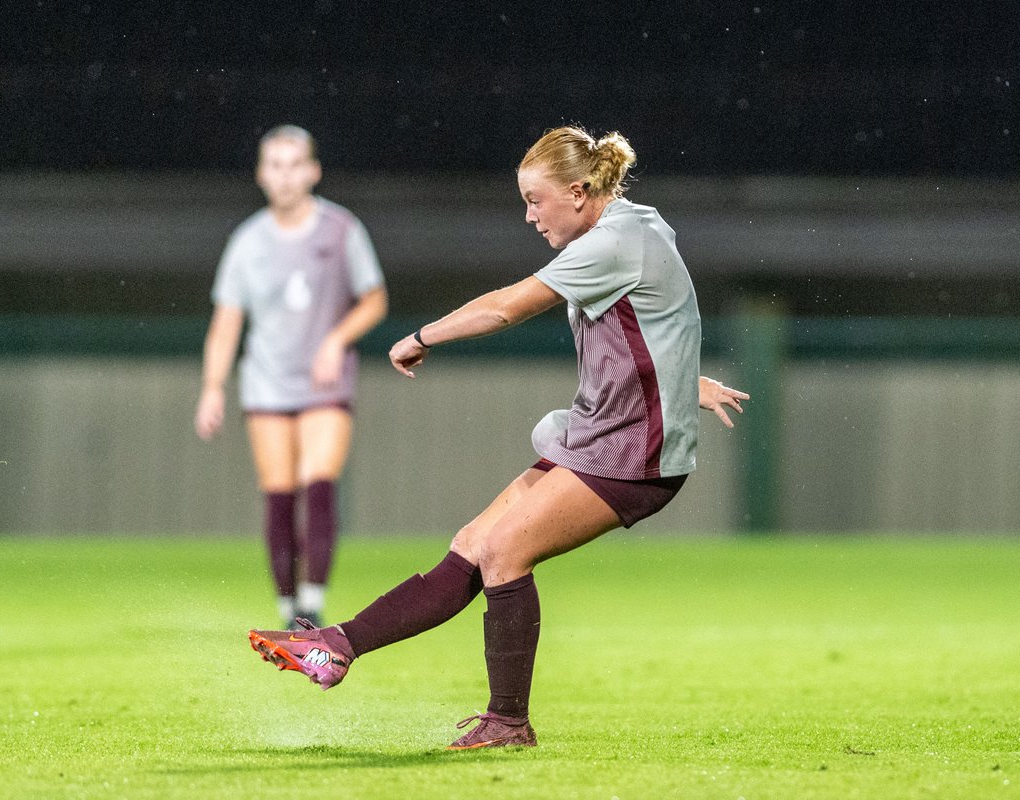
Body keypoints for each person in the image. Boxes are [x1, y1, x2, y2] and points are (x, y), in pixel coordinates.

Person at [247, 126, 748, 749]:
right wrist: (683, 377)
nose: (530, 216)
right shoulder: (634, 225)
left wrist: (423, 335)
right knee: (474, 544)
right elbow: (666, 306)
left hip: (633, 454)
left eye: (537, 200)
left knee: (505, 552)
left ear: (579, 189)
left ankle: (508, 721)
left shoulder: (614, 241)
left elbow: (508, 306)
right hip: (601, 434)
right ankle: (335, 645)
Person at [196, 125, 388, 629]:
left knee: (318, 482)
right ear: (261, 174)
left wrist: (335, 339)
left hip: (325, 384)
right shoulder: (247, 242)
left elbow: (374, 300)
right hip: (266, 382)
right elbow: (226, 323)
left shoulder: (342, 229)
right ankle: (287, 610)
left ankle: (312, 602)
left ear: (313, 171)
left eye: (294, 164)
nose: (284, 175)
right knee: (279, 493)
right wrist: (212, 388)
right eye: (274, 165)